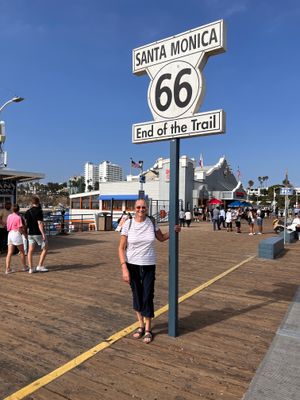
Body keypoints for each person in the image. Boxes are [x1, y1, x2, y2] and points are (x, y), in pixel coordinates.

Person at [118, 199, 180, 344]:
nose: (141, 209)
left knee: (147, 295)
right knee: (137, 295)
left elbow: (162, 238)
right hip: (131, 265)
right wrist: (124, 268)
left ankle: (148, 329)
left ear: (147, 208)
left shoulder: (151, 222)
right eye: (138, 207)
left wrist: (173, 231)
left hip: (148, 264)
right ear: (134, 209)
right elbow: (121, 248)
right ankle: (140, 325)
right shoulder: (128, 223)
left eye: (143, 207)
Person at [25, 196, 48, 273]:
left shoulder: (28, 212)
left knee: (30, 251)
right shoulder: (39, 211)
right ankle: (40, 266)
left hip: (30, 233)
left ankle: (31, 268)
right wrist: (43, 234)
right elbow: (40, 223)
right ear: (38, 202)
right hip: (38, 233)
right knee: (45, 248)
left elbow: (26, 223)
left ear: (32, 203)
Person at [5, 204, 27, 274]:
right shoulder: (18, 217)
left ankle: (7, 269)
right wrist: (25, 234)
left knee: (9, 252)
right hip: (16, 233)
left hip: (10, 234)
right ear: (18, 210)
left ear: (12, 209)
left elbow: (7, 226)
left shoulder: (9, 216)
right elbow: (20, 228)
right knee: (22, 252)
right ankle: (24, 267)